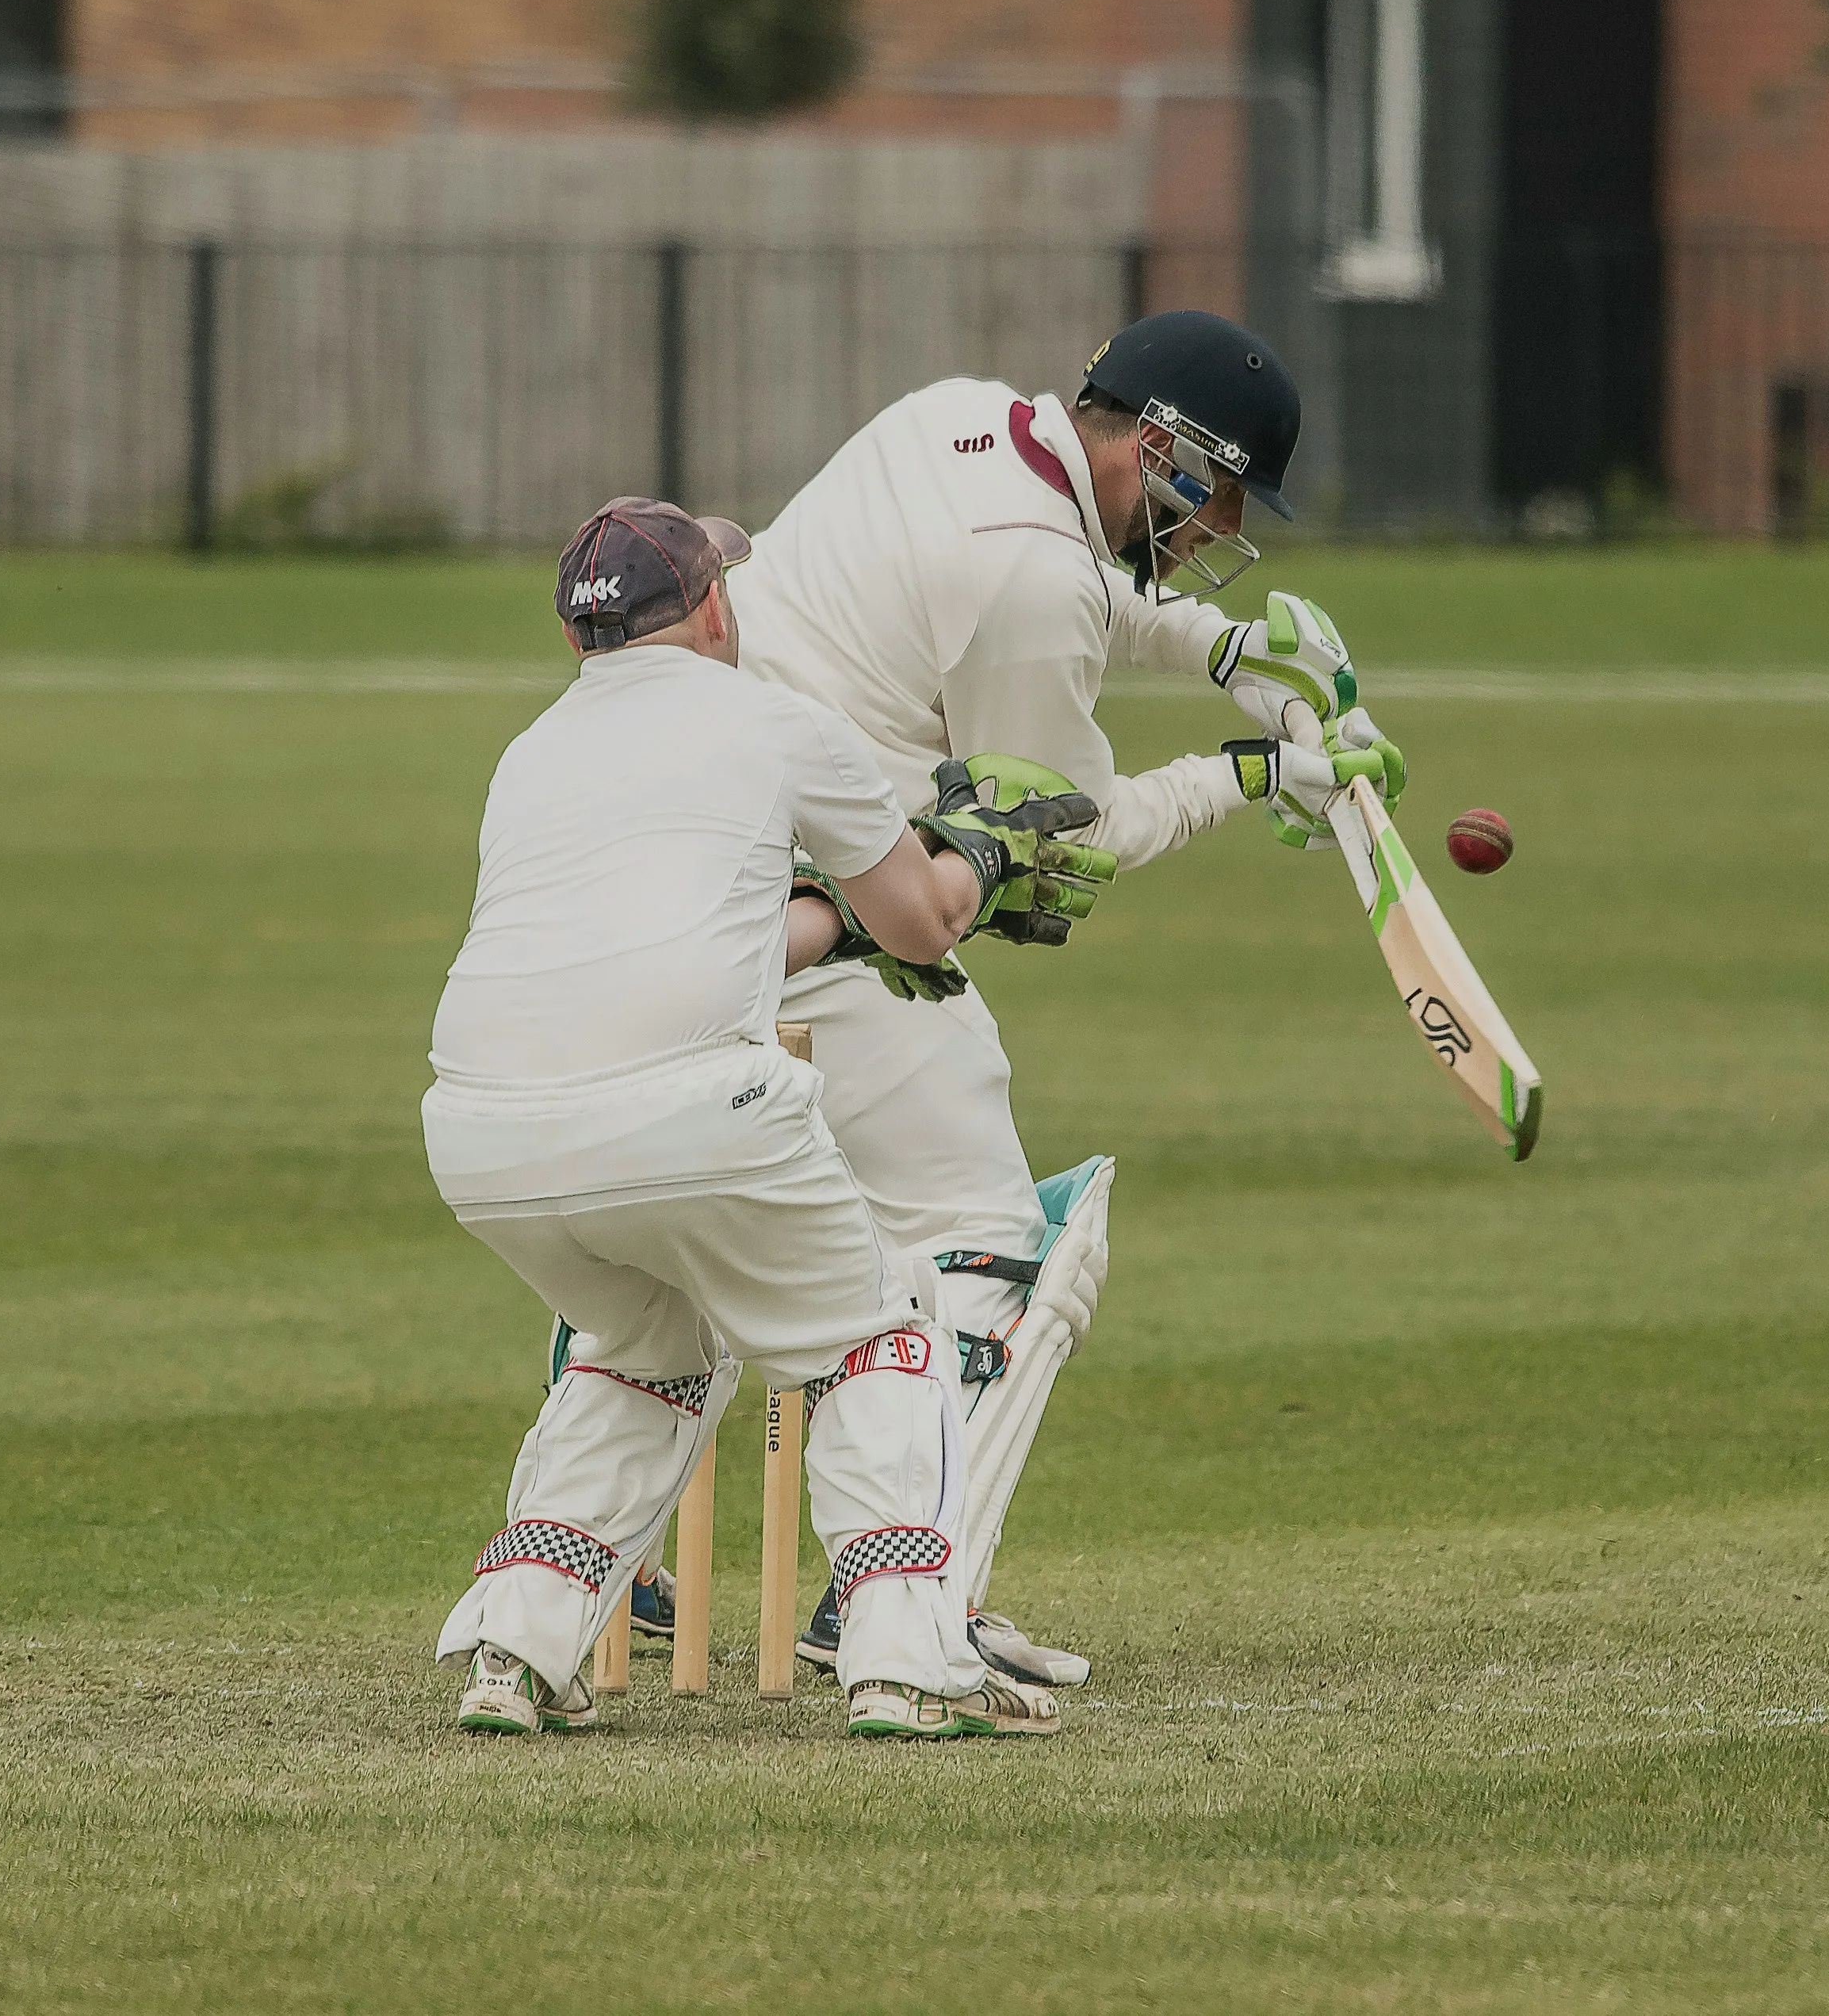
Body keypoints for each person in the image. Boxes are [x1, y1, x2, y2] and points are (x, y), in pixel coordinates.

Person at [694, 310, 1404, 1689]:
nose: (1216, 533)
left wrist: (1235, 662)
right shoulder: (1033, 577)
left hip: (701, 892)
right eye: (1221, 502)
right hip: (837, 918)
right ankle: (908, 1602)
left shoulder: (961, 416)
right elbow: (1053, 847)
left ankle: (605, 1571)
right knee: (1002, 1250)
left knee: (714, 1232)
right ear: (1165, 453)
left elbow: (1089, 589)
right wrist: (1257, 777)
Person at [423, 497, 1113, 1739]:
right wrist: (980, 853)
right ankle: (908, 1659)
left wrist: (845, 910)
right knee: (878, 1328)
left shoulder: (530, 753)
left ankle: (516, 1648)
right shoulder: (777, 719)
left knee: (647, 1348)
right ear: (709, 609)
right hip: (692, 1108)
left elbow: (736, 939)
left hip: (479, 1138)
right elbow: (921, 920)